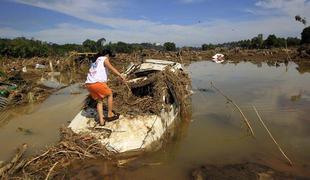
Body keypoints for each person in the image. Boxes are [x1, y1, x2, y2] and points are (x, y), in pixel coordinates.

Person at [85, 49, 125, 126]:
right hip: (96, 83)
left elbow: (98, 73)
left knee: (100, 101)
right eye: (109, 57)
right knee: (110, 94)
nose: (109, 58)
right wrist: (120, 75)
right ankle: (110, 114)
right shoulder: (104, 58)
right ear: (107, 55)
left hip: (89, 84)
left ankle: (102, 121)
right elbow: (111, 67)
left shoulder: (95, 61)